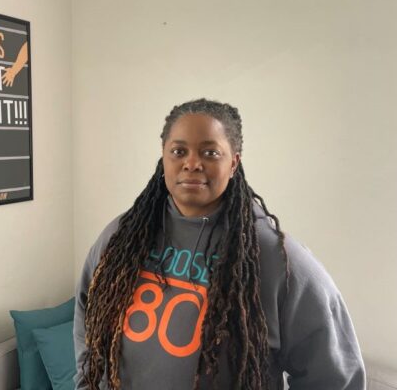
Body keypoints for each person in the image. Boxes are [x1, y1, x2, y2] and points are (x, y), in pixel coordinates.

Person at [73, 98, 365, 390]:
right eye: (179, 151)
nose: (192, 163)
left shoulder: (277, 261)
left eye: (210, 152)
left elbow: (336, 378)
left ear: (234, 162)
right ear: (163, 158)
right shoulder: (121, 238)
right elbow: (88, 320)